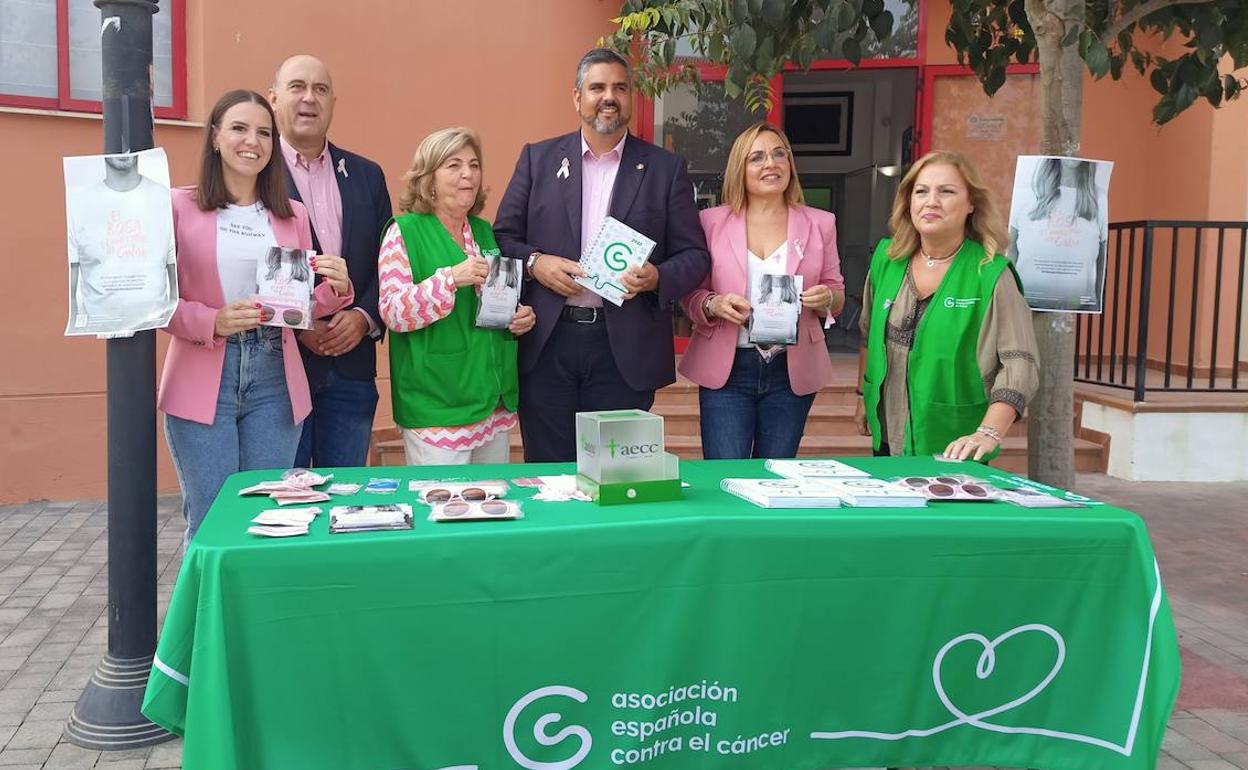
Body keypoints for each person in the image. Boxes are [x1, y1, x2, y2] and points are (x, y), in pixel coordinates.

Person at [494, 47, 711, 462]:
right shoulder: (538, 160)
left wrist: (657, 278)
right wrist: (538, 264)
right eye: (597, 87)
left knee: (617, 476)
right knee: (550, 474)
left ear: (632, 98)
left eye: (619, 88)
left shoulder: (666, 169)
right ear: (577, 98)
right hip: (547, 343)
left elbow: (694, 255)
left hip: (624, 349)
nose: (608, 96)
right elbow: (502, 238)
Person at [159, 90, 353, 541]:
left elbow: (297, 308)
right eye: (239, 128)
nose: (253, 141)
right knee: (211, 520)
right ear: (215, 138)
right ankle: (204, 614)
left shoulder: (292, 216)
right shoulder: (177, 207)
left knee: (269, 517)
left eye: (264, 132)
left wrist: (337, 291)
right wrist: (211, 321)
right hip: (205, 372)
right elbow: (155, 301)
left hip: (275, 377)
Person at [854, 150, 1039, 461]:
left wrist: (988, 433)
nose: (931, 201)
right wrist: (862, 395)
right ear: (909, 201)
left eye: (947, 191)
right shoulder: (887, 260)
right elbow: (867, 334)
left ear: (971, 204)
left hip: (956, 446)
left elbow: (1019, 362)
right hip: (888, 436)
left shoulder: (990, 273)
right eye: (921, 191)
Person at [680, 123, 845, 459]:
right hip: (728, 370)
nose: (770, 163)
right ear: (740, 169)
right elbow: (690, 295)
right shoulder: (710, 222)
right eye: (757, 157)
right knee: (725, 475)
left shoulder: (821, 222)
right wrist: (714, 303)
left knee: (776, 477)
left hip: (791, 370)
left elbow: (836, 291)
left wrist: (826, 298)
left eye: (778, 154)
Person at [379, 127, 536, 465]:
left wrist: (517, 316)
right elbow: (393, 311)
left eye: (474, 165)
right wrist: (450, 278)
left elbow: (490, 303)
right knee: (443, 511)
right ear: (428, 178)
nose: (468, 174)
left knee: (494, 509)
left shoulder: (482, 230)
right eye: (453, 165)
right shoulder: (403, 232)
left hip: (490, 402)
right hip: (437, 406)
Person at [270, 54, 393, 469]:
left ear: (333, 102)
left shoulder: (367, 175)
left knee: (345, 500)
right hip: (282, 371)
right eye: (297, 87)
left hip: (352, 369)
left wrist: (363, 317)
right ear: (273, 99)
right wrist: (299, 324)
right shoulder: (255, 174)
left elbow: (389, 265)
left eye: (320, 89)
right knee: (287, 503)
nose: (309, 98)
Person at [66, 152, 177, 333]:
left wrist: (172, 317)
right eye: (116, 144)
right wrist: (76, 323)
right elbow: (73, 268)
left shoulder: (163, 197)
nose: (124, 150)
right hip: (98, 324)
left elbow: (173, 267)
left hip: (156, 324)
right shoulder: (80, 202)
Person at [1009, 157, 1107, 311]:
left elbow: (1102, 257)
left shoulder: (1098, 198)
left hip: (1077, 307)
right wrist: (1009, 296)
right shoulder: (1027, 192)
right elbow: (1011, 249)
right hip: (1024, 302)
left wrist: (1096, 300)